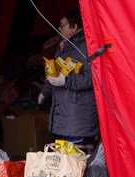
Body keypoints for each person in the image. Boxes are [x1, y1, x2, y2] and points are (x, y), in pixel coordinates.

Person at [38, 10, 98, 148]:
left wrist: (66, 81)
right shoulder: (63, 46)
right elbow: (56, 72)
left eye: (62, 25)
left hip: (79, 111)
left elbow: (91, 78)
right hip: (67, 110)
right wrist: (45, 91)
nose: (59, 29)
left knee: (78, 152)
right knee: (68, 152)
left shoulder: (85, 46)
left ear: (74, 27)